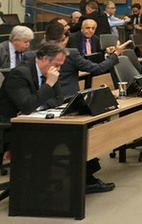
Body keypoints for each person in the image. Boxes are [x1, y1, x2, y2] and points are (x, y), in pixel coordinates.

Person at [0, 41, 115, 193]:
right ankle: (39, 187)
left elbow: (59, 99)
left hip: (35, 121)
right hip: (12, 128)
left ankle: (87, 180)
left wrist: (40, 105)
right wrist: (48, 85)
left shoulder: (50, 72)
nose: (59, 69)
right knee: (64, 137)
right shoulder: (20, 74)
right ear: (44, 58)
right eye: (57, 64)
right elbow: (27, 105)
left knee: (80, 134)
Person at [45, 20, 130, 103]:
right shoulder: (71, 54)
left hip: (46, 101)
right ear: (65, 38)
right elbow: (98, 68)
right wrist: (116, 54)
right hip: (68, 100)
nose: (90, 30)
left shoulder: (36, 55)